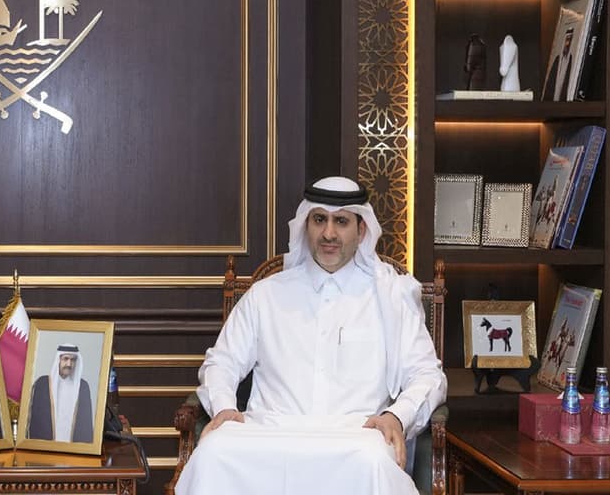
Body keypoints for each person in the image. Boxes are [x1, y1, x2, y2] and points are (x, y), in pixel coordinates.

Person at [175, 176, 447, 495]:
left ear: (361, 230)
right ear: (307, 224)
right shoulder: (266, 295)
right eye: (320, 220)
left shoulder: (391, 296)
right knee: (212, 454)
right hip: (269, 433)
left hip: (354, 439)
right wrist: (223, 406)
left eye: (341, 222)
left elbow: (428, 375)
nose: (328, 233)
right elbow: (221, 362)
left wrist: (396, 417)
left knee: (373, 460)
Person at [26, 344, 94, 443]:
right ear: (58, 360)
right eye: (65, 359)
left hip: (73, 450)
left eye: (73, 360)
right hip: (46, 451)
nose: (69, 364)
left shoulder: (83, 387)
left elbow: (86, 424)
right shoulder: (42, 384)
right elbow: (34, 421)